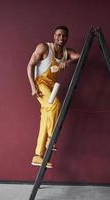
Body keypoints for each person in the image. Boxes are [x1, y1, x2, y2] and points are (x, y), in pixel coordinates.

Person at [27, 26, 80, 168]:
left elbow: (80, 57)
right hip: (40, 84)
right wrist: (32, 86)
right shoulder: (44, 47)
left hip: (51, 87)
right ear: (54, 35)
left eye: (64, 36)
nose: (61, 38)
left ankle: (37, 156)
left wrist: (66, 63)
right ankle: (51, 138)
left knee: (45, 118)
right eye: (58, 35)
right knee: (55, 104)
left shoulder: (66, 53)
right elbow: (30, 65)